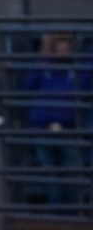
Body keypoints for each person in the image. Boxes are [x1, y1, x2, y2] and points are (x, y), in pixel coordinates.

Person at [19, 33, 91, 204]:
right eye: (59, 42)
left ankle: (70, 212)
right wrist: (42, 58)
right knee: (50, 173)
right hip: (43, 127)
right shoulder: (43, 67)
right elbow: (27, 86)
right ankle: (57, 210)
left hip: (70, 128)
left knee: (71, 172)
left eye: (66, 42)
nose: (63, 47)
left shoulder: (79, 68)